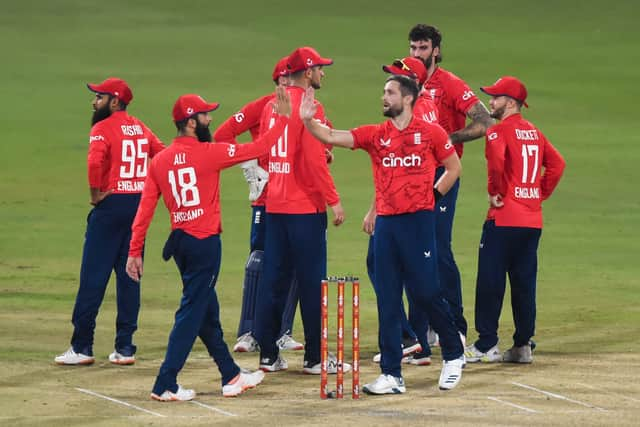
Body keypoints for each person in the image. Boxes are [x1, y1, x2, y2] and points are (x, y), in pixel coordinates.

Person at [301, 74, 465, 394]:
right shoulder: (377, 135)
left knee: (426, 291)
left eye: (390, 92)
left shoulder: (431, 132)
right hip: (387, 225)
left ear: (407, 99)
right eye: (383, 92)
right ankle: (392, 374)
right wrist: (308, 122)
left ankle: (454, 354)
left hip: (417, 222)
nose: (383, 97)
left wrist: (433, 198)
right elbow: (333, 136)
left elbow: (453, 167)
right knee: (388, 298)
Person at [125, 87, 291, 400]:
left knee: (206, 312)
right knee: (191, 311)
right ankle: (166, 382)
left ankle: (230, 376)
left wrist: (135, 251)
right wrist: (282, 120)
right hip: (205, 244)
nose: (210, 118)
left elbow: (144, 210)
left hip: (181, 246)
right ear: (191, 122)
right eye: (204, 114)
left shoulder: (160, 161)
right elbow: (262, 147)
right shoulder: (209, 153)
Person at [55, 78, 165, 366]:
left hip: (110, 205)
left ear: (114, 101)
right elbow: (163, 155)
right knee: (130, 276)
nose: (94, 102)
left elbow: (94, 163)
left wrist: (95, 194)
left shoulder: (102, 128)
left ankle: (82, 347)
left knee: (93, 276)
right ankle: (125, 347)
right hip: (138, 208)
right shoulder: (140, 127)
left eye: (100, 97)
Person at [253, 46, 346, 375]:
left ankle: (267, 355)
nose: (323, 73)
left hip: (275, 205)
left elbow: (265, 155)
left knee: (273, 280)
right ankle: (315, 359)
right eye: (320, 68)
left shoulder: (270, 106)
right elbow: (313, 161)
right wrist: (333, 199)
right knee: (311, 283)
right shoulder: (310, 106)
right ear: (307, 72)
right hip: (305, 209)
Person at [465, 76, 565, 363]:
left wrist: (495, 192)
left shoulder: (497, 132)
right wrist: (537, 194)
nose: (490, 102)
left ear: (510, 103)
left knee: (490, 282)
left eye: (495, 98)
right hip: (531, 222)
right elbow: (557, 165)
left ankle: (486, 344)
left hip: (503, 219)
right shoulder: (535, 132)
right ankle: (522, 345)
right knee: (523, 283)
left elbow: (497, 162)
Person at [409, 24, 495, 342]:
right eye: (413, 48)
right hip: (412, 175)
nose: (417, 54)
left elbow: (485, 121)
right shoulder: (405, 83)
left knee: (438, 248)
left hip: (443, 173)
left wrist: (449, 137)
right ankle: (421, 329)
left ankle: (455, 325)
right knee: (413, 249)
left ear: (436, 51)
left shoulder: (450, 84)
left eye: (423, 48)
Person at [213, 56, 304, 354]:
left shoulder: (305, 107)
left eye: (292, 80)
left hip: (296, 200)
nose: (287, 86)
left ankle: (282, 331)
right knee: (260, 261)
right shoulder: (262, 107)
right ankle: (249, 332)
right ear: (277, 81)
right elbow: (222, 135)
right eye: (283, 80)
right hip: (267, 197)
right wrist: (251, 164)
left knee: (291, 265)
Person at [367, 56, 442, 366]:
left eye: (396, 79)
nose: (388, 87)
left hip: (409, 207)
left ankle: (414, 339)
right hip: (404, 203)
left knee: (402, 271)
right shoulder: (416, 109)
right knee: (405, 271)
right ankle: (415, 340)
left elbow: (401, 167)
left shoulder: (417, 113)